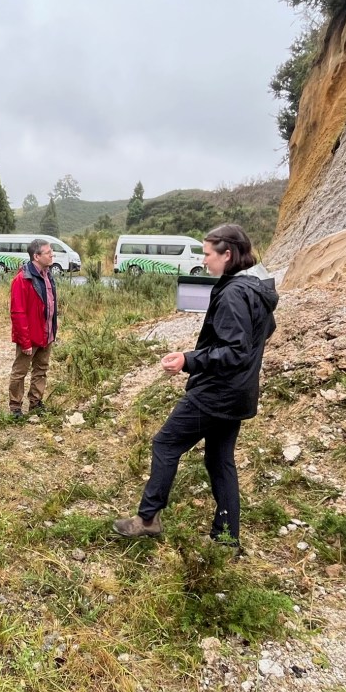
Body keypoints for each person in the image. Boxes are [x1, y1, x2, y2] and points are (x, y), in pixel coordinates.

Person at [113, 224, 279, 549]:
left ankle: (148, 519)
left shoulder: (233, 292)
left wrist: (189, 360)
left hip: (216, 393)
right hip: (240, 393)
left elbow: (235, 350)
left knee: (165, 443)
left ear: (227, 254)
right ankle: (227, 538)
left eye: (207, 254)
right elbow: (264, 332)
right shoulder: (257, 287)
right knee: (220, 460)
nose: (204, 261)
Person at [8, 238, 59, 417]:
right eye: (47, 252)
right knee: (20, 371)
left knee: (41, 370)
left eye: (51, 251)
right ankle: (15, 406)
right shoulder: (22, 279)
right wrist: (25, 341)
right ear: (36, 256)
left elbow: (51, 305)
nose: (51, 254)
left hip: (47, 334)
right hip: (30, 336)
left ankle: (36, 403)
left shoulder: (48, 274)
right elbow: (18, 313)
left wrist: (53, 331)